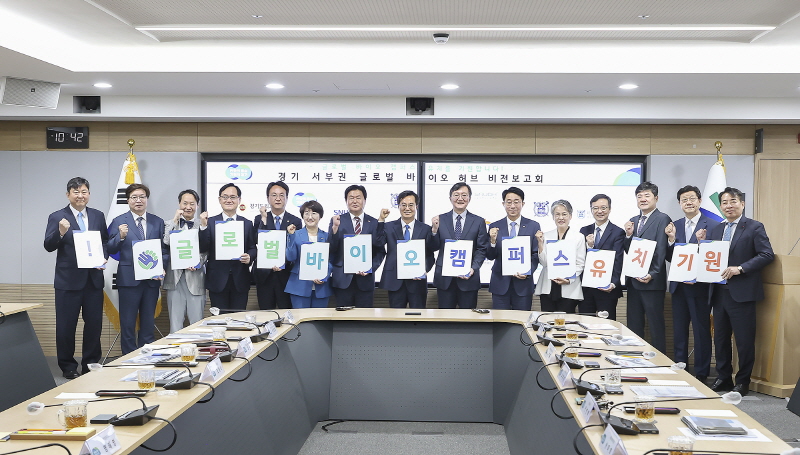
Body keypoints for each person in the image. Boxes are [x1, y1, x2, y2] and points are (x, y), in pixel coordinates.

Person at [702, 187, 774, 396]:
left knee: (743, 340)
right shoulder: (716, 229)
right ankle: (723, 377)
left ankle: (743, 381)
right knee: (721, 338)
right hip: (718, 292)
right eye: (724, 202)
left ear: (742, 204)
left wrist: (740, 268)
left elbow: (766, 254)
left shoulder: (753, 227)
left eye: (733, 201)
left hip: (742, 293)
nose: (728, 206)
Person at [43, 177, 108, 378]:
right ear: (68, 195)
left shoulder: (97, 215)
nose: (80, 196)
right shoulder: (57, 216)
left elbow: (104, 241)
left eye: (84, 192)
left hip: (93, 280)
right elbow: (48, 245)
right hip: (67, 282)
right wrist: (60, 233)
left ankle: (90, 363)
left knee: (94, 325)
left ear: (89, 194)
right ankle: (68, 366)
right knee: (66, 326)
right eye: (76, 192)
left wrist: (103, 258)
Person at [107, 184, 168, 355]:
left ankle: (146, 355)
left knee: (148, 322)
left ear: (147, 199)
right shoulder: (119, 221)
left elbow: (164, 250)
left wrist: (161, 267)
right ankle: (128, 357)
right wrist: (120, 236)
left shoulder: (157, 221)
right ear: (127, 200)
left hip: (151, 281)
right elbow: (109, 249)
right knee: (127, 322)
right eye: (134, 197)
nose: (138, 200)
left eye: (142, 196)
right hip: (128, 280)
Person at [664, 185, 714, 383]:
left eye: (692, 198)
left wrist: (704, 244)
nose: (688, 202)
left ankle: (702, 374)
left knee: (701, 331)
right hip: (679, 287)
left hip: (700, 287)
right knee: (680, 330)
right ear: (679, 204)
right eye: (684, 200)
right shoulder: (673, 225)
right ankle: (680, 370)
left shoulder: (712, 224)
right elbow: (669, 257)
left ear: (699, 201)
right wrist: (671, 240)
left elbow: (714, 256)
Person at [623, 181, 672, 353]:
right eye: (639, 196)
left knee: (655, 325)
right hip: (634, 281)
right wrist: (628, 236)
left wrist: (653, 273)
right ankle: (634, 358)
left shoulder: (662, 218)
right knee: (634, 325)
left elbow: (661, 248)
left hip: (652, 282)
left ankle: (659, 363)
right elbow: (630, 251)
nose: (643, 199)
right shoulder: (633, 220)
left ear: (656, 198)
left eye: (647, 195)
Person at [199, 183, 257, 311]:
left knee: (239, 318)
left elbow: (253, 248)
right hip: (217, 280)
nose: (229, 200)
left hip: (240, 279)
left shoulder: (247, 223)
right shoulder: (210, 222)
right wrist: (203, 226)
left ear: (239, 200)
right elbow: (203, 247)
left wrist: (250, 257)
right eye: (225, 197)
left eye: (233, 197)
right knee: (219, 320)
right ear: (219, 200)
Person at [431, 182, 489, 309]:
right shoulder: (440, 219)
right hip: (445, 279)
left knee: (468, 320)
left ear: (469, 198)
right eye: (456, 195)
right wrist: (434, 231)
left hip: (469, 279)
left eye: (464, 195)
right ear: (450, 198)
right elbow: (434, 247)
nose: (460, 198)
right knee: (445, 320)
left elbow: (482, 249)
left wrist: (473, 268)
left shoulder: (479, 221)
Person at [376, 190, 436, 309]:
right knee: (396, 321)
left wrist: (424, 269)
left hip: (417, 282)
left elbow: (430, 254)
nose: (407, 208)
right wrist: (381, 220)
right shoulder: (388, 226)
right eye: (403, 205)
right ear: (398, 206)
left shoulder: (425, 229)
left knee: (418, 320)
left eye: (411, 205)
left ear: (416, 207)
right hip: (395, 281)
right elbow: (378, 243)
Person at [328, 185, 385, 307]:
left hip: (365, 280)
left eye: (358, 198)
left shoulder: (374, 223)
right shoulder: (337, 221)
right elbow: (331, 248)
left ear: (365, 200)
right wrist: (334, 229)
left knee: (364, 320)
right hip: (342, 280)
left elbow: (380, 251)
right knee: (343, 321)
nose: (354, 201)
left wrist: (371, 268)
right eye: (351, 198)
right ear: (346, 201)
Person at [486, 187, 540, 311]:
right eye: (509, 202)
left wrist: (527, 271)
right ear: (503, 204)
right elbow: (490, 255)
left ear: (523, 204)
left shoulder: (533, 226)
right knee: (500, 322)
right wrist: (492, 241)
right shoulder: (495, 226)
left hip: (523, 285)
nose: (512, 205)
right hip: (500, 284)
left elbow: (535, 254)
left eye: (516, 202)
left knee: (522, 322)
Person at [253, 181, 302, 310]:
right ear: (268, 198)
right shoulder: (260, 218)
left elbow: (295, 247)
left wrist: (282, 262)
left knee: (286, 313)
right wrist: (264, 219)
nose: (278, 198)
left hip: (285, 274)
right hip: (264, 275)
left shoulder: (295, 221)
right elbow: (256, 240)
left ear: (287, 198)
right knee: (266, 313)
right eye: (274, 195)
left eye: (282, 195)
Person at [163, 189, 206, 333]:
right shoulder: (169, 223)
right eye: (185, 203)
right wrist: (175, 221)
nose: (188, 207)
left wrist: (197, 262)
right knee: (175, 326)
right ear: (179, 204)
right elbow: (166, 242)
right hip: (175, 280)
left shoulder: (203, 225)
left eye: (192, 204)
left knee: (197, 324)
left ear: (197, 206)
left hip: (195, 278)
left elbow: (206, 249)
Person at [535, 199, 586, 313]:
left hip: (569, 287)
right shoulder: (546, 236)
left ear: (570, 216)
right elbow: (544, 263)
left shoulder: (578, 237)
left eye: (564, 214)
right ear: (553, 217)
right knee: (547, 321)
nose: (560, 218)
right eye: (557, 214)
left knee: (566, 323)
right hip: (548, 286)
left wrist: (568, 279)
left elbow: (580, 263)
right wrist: (540, 243)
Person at [579, 194, 625, 320]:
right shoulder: (584, 230)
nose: (599, 211)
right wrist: (589, 246)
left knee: (607, 326)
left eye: (603, 208)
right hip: (586, 289)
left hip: (607, 288)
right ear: (591, 210)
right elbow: (579, 258)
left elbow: (618, 259)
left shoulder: (618, 232)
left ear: (609, 209)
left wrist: (614, 283)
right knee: (585, 324)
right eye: (595, 208)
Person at [285, 200, 333, 308]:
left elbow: (332, 260)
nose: (310, 217)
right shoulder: (295, 234)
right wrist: (291, 236)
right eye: (306, 213)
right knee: (300, 320)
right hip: (299, 286)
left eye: (314, 213)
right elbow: (291, 257)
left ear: (320, 216)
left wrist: (324, 275)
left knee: (319, 321)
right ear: (302, 216)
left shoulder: (327, 236)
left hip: (321, 287)